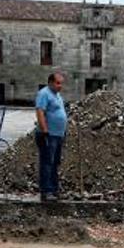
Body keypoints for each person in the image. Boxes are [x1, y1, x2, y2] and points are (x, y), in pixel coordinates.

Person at [34, 72, 68, 201]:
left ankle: (54, 189)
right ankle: (46, 191)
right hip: (49, 135)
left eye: (61, 83)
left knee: (55, 162)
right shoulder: (44, 94)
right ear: (50, 82)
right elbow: (40, 112)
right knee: (47, 162)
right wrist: (45, 131)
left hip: (58, 135)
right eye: (58, 83)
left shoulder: (57, 95)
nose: (60, 86)